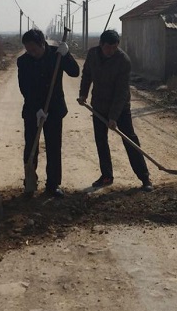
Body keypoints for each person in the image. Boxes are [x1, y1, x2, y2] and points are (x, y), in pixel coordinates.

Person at [78, 30, 153, 192]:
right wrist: (83, 94)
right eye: (108, 47)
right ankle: (106, 176)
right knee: (101, 141)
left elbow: (121, 92)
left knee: (130, 140)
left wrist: (113, 117)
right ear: (101, 44)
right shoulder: (92, 55)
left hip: (120, 108)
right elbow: (87, 75)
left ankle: (144, 177)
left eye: (114, 47)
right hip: (98, 105)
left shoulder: (123, 61)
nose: (111, 51)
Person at [17, 29, 79, 198]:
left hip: (55, 108)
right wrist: (37, 109)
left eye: (34, 50)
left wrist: (67, 55)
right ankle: (30, 182)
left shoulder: (57, 54)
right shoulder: (23, 61)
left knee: (53, 147)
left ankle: (53, 184)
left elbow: (75, 72)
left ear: (42, 44)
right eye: (28, 50)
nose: (31, 53)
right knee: (31, 146)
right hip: (32, 110)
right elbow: (25, 88)